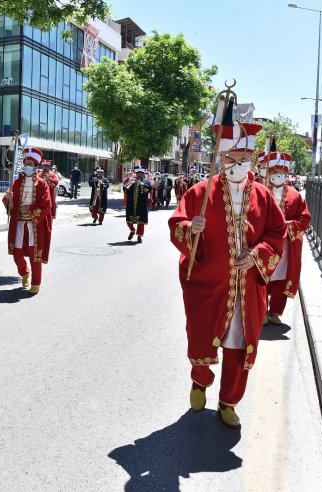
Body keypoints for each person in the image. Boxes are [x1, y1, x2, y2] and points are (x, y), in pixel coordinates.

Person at [168, 97, 286, 428]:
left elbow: (276, 233)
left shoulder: (262, 195)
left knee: (239, 342)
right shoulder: (200, 192)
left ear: (251, 158)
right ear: (221, 158)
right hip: (208, 284)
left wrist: (258, 255)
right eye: (232, 158)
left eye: (244, 158)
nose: (238, 163)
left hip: (248, 288)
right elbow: (177, 224)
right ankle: (200, 380)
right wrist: (191, 229)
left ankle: (228, 401)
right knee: (203, 335)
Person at [264, 151, 311, 325]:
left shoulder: (295, 195)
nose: (278, 176)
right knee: (262, 276)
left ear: (286, 174)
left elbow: (304, 218)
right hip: (265, 244)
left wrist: (288, 226)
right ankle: (261, 312)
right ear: (269, 174)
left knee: (281, 277)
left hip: (286, 245)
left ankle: (275, 311)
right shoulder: (260, 192)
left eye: (281, 173)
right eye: (275, 172)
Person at [2, 147, 52, 295]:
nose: (28, 166)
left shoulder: (42, 184)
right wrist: (8, 198)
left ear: (35, 166)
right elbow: (8, 201)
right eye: (26, 163)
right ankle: (24, 272)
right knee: (17, 252)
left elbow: (46, 204)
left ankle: (36, 282)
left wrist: (29, 210)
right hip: (18, 222)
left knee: (34, 253)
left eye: (30, 163)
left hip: (35, 224)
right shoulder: (16, 182)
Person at [124, 167, 152, 243]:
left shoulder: (146, 181)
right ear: (136, 174)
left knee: (141, 221)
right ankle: (132, 230)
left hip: (142, 204)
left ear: (143, 174)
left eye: (141, 174)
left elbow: (149, 189)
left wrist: (141, 184)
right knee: (129, 220)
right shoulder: (132, 180)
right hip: (131, 203)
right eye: (138, 174)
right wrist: (130, 184)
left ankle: (139, 236)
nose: (139, 175)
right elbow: (125, 189)